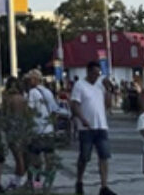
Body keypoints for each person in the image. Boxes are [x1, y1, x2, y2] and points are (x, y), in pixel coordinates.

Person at [70, 60, 116, 195]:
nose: (96, 76)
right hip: (87, 127)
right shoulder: (80, 86)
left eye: (98, 73)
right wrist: (82, 119)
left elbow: (107, 105)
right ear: (88, 72)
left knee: (104, 156)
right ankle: (79, 180)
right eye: (94, 73)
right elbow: (75, 104)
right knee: (84, 156)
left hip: (101, 125)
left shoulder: (100, 85)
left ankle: (104, 185)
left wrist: (108, 89)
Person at [26, 69, 59, 189]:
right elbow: (55, 110)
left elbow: (30, 110)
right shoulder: (48, 92)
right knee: (49, 156)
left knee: (34, 157)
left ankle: (35, 182)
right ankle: (48, 181)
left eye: (30, 79)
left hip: (37, 129)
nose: (29, 81)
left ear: (35, 79)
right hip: (48, 129)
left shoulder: (33, 92)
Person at [3, 76, 31, 190]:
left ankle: (20, 180)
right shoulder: (23, 98)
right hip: (23, 127)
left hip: (12, 129)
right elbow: (27, 114)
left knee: (17, 157)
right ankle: (17, 179)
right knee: (21, 155)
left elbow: (5, 114)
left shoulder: (8, 99)